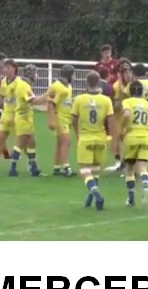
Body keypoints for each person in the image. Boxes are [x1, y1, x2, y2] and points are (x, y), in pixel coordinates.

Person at [71, 71, 116, 211]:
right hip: (100, 138)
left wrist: (77, 134)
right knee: (95, 170)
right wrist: (113, 139)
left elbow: (73, 119)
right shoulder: (106, 100)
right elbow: (111, 121)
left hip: (86, 137)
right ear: (99, 82)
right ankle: (89, 199)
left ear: (86, 82)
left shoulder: (79, 99)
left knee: (84, 170)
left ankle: (96, 193)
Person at [119, 81, 148, 206]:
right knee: (143, 167)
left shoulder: (127, 102)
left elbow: (126, 114)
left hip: (131, 136)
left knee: (130, 169)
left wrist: (122, 128)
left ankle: (131, 199)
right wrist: (145, 129)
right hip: (145, 137)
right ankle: (145, 187)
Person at [9, 64, 49, 177]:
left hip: (25, 118)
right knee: (20, 144)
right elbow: (33, 101)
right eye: (35, 73)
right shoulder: (24, 86)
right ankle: (13, 169)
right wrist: (47, 95)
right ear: (30, 74)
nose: (36, 75)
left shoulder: (23, 84)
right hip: (24, 118)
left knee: (31, 143)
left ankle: (34, 169)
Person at [47, 64, 76, 176]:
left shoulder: (68, 86)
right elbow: (50, 104)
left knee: (60, 143)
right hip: (59, 118)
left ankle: (57, 167)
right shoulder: (56, 86)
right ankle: (66, 167)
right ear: (68, 75)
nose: (74, 77)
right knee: (66, 142)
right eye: (73, 75)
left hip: (66, 118)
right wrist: (51, 120)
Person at [106, 58, 133, 173]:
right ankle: (118, 162)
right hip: (119, 115)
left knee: (130, 138)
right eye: (124, 70)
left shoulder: (134, 84)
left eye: (128, 70)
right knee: (116, 138)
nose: (127, 73)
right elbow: (116, 103)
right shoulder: (116, 85)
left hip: (131, 115)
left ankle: (129, 161)